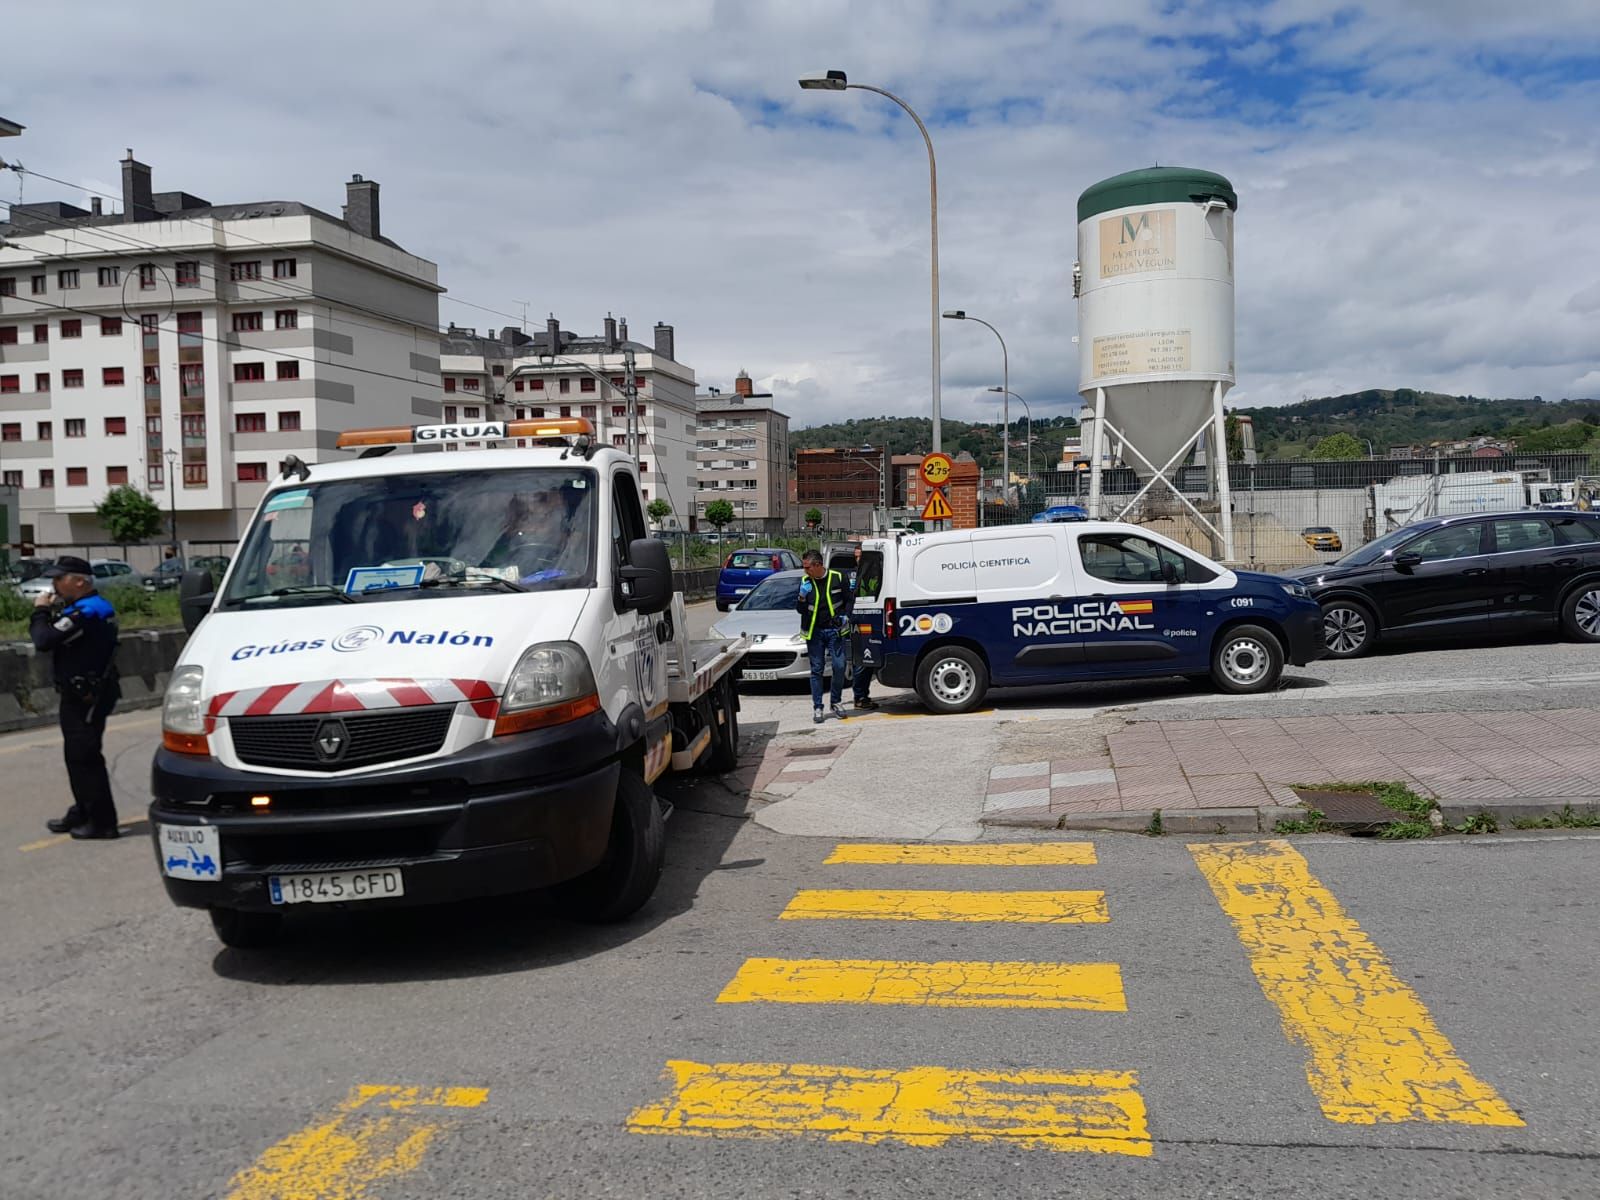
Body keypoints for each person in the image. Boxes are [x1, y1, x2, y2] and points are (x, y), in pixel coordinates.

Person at [30, 556, 122, 839]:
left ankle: (103, 822)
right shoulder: (83, 608)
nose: (55, 584)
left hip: (89, 694)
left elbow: (44, 640)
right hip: (79, 691)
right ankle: (83, 810)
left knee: (85, 756)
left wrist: (41, 612)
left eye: (60, 578)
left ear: (79, 581)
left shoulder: (88, 611)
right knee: (76, 756)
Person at [796, 548, 849, 724]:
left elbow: (849, 600)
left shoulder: (838, 577)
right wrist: (802, 597)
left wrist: (846, 616)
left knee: (839, 666)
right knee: (816, 669)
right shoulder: (805, 581)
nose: (805, 571)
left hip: (835, 630)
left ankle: (836, 701)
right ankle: (818, 707)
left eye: (807, 567)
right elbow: (800, 610)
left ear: (818, 565)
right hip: (815, 632)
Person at [850, 544, 878, 710]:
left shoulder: (872, 574)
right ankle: (859, 697)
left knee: (867, 662)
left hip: (869, 619)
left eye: (860, 556)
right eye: (856, 557)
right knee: (860, 662)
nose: (858, 559)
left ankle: (862, 696)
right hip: (855, 622)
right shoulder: (851, 575)